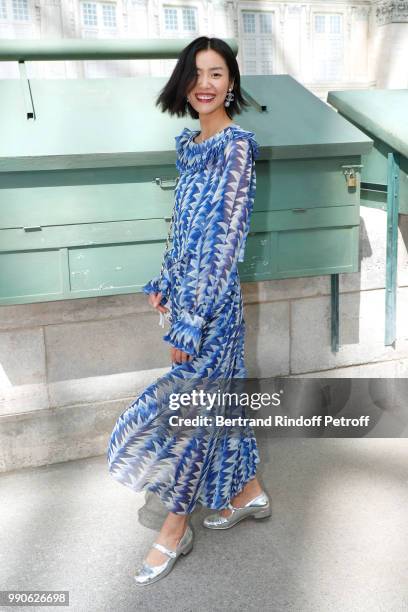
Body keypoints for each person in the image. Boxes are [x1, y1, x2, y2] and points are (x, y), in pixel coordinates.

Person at [107, 36, 271, 586]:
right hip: (189, 299)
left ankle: (175, 527)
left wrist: (191, 318)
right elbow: (186, 229)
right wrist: (165, 281)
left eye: (217, 73)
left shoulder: (236, 146)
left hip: (211, 309)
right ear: (185, 81)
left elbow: (224, 241)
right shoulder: (192, 144)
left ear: (232, 82)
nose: (206, 83)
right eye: (197, 73)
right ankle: (247, 492)